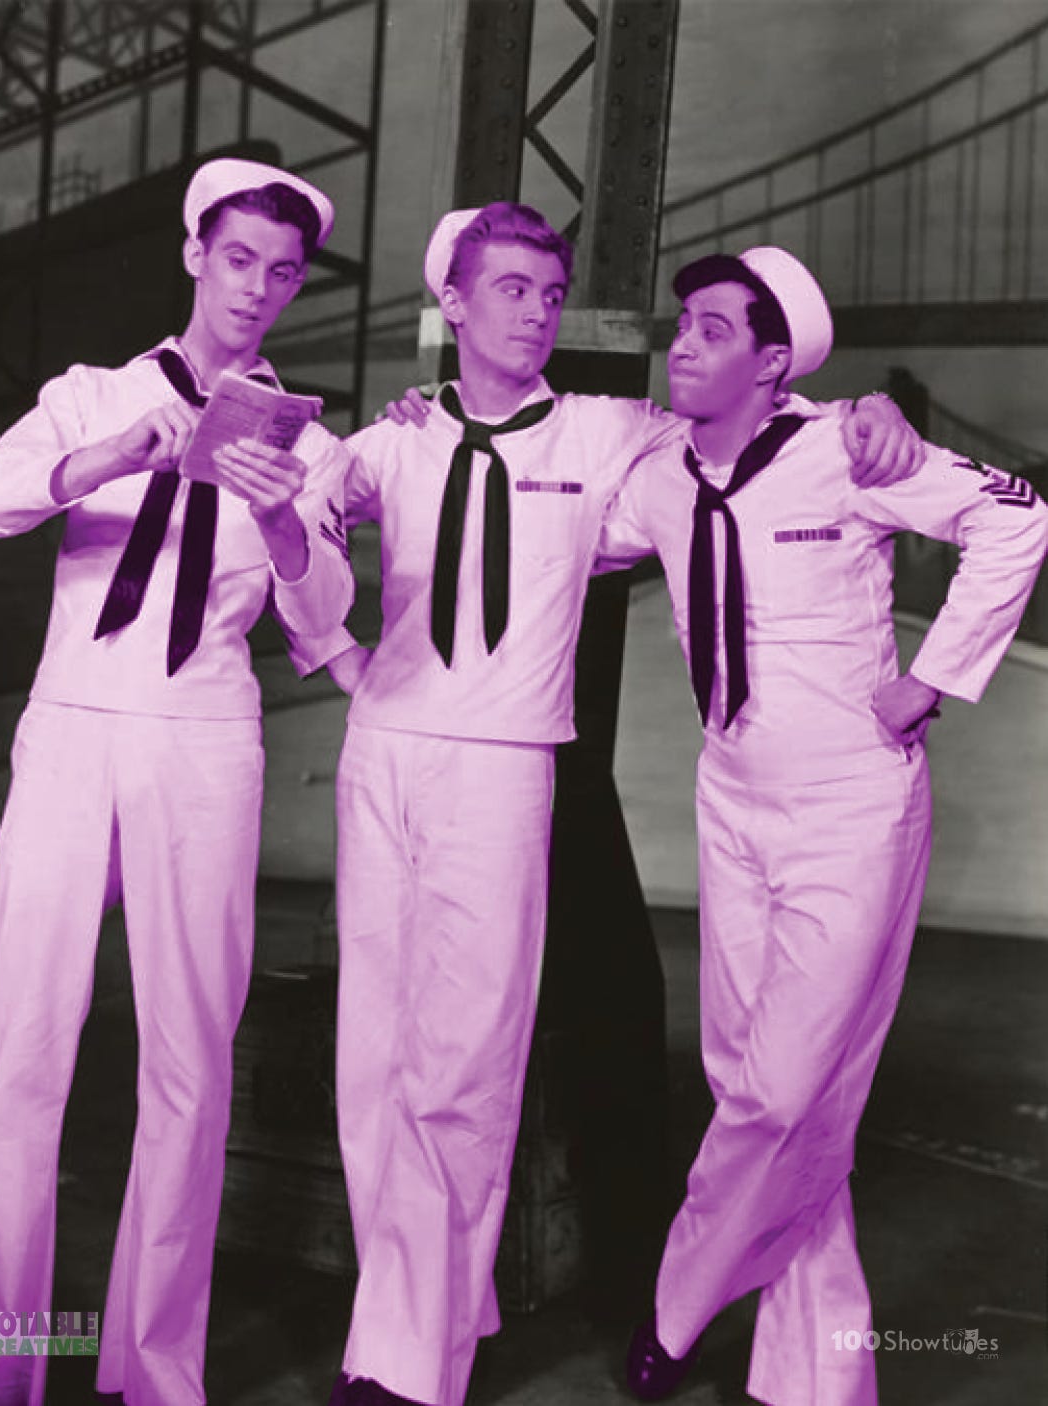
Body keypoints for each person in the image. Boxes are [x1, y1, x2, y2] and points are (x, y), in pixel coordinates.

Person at [288, 203, 920, 1406]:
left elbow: (753, 429)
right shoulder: (396, 439)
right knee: (372, 1058)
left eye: (548, 288)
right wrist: (332, 654)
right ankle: (416, 1308)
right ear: (455, 308)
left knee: (463, 1070)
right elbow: (299, 529)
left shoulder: (617, 433)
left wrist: (860, 415)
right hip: (385, 749)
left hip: (507, 760)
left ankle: (411, 1363)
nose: (536, 309)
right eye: (512, 289)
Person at [0, 157, 353, 1406]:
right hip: (71, 726)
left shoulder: (303, 440)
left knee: (190, 1057)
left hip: (203, 734)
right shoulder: (88, 395)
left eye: (281, 272)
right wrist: (109, 454)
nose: (258, 290)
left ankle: (152, 1366)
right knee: (19, 1040)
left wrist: (280, 522)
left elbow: (325, 615)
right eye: (238, 262)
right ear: (193, 258)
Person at [592, 246, 1048, 1406]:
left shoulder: (845, 449)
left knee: (784, 1090)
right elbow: (551, 532)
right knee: (759, 1078)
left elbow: (1018, 517)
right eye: (680, 324)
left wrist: (933, 677)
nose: (681, 343)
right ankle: (818, 1379)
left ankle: (678, 1302)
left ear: (773, 360)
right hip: (731, 797)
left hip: (853, 806)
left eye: (709, 328)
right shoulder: (659, 476)